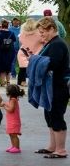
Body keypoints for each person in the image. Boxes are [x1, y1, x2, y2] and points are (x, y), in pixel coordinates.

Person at [25, 16, 69, 158]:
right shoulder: (51, 43)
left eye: (43, 32)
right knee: (49, 116)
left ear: (52, 29)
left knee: (56, 117)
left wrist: (34, 60)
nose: (41, 35)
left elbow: (53, 63)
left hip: (58, 86)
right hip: (51, 87)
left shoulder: (57, 44)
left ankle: (61, 150)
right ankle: (52, 146)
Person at [17, 18, 42, 86]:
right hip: (35, 53)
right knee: (34, 68)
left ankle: (21, 82)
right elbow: (42, 42)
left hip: (23, 52)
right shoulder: (38, 33)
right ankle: (34, 81)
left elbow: (20, 42)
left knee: (22, 68)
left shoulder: (22, 34)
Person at [0, 19, 17, 85]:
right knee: (8, 67)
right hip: (10, 52)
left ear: (2, 25)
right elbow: (14, 40)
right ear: (8, 25)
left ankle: (2, 82)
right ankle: (8, 81)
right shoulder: (11, 33)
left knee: (2, 68)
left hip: (1, 52)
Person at [3, 84, 24, 154]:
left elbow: (11, 110)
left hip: (13, 121)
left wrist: (4, 107)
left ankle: (17, 147)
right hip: (12, 120)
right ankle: (13, 146)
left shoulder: (13, 100)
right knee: (11, 134)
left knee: (14, 135)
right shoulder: (13, 99)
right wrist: (5, 104)